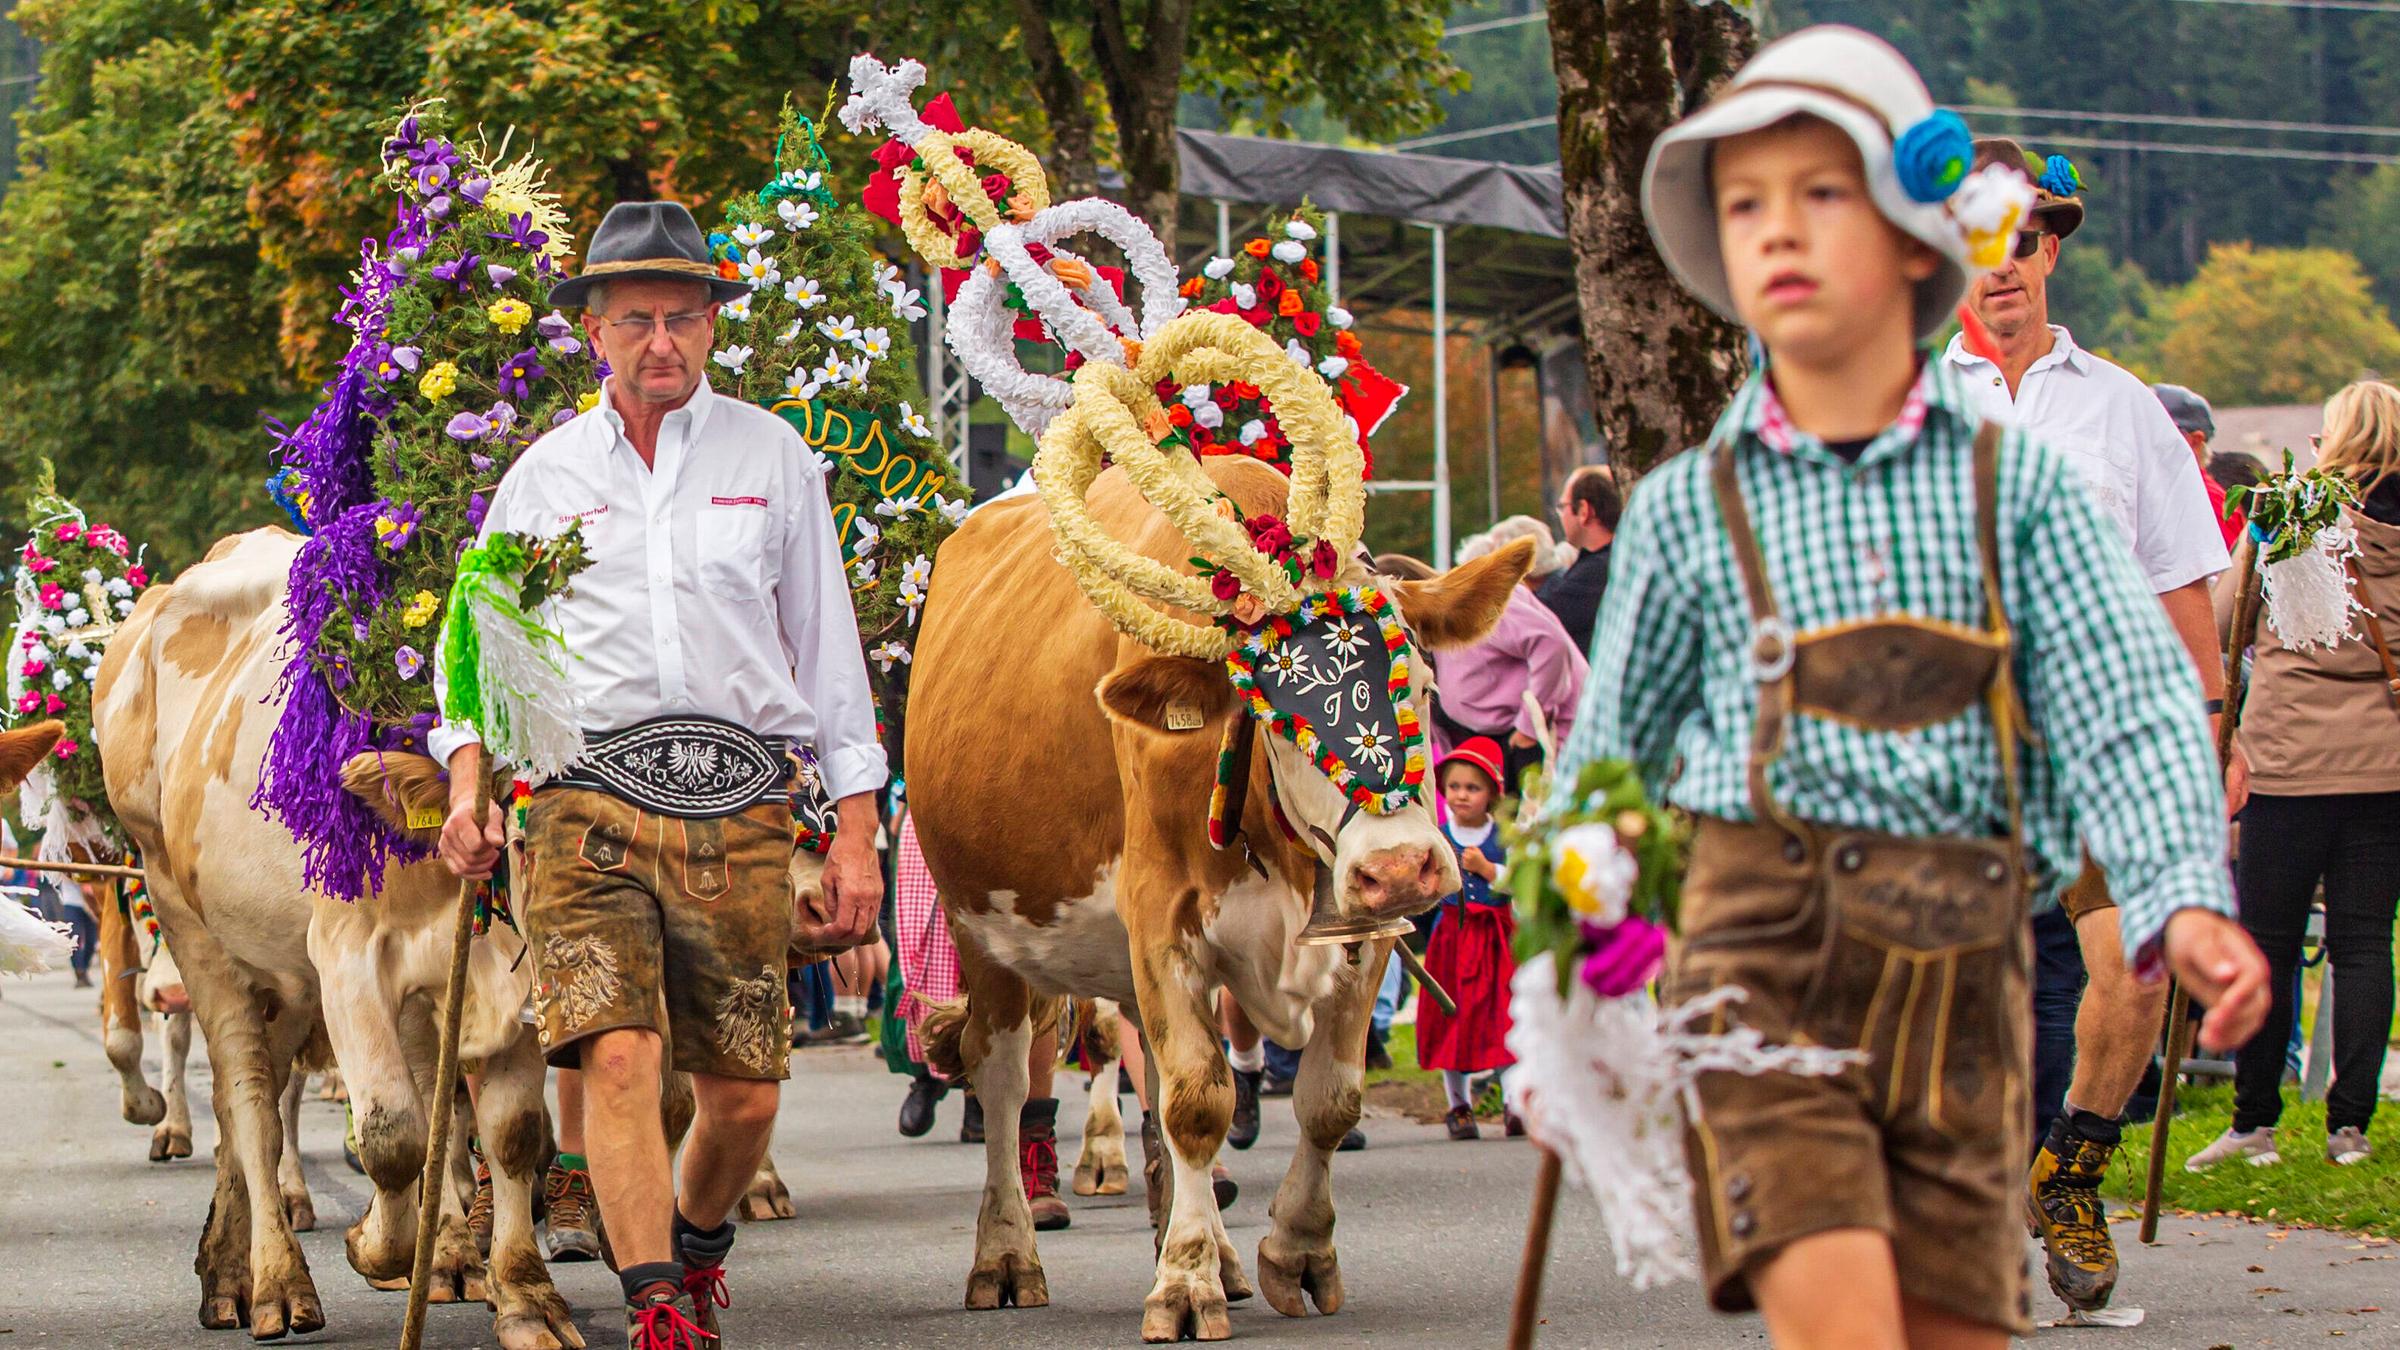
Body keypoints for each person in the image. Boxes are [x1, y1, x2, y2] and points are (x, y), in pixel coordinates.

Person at [1564, 27, 2269, 1346]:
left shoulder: (2030, 488)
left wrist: (2186, 890)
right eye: (1745, 202)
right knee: (1842, 1312)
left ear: (1914, 244)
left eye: (1820, 193)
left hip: (1963, 966)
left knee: (1953, 1321)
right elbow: (1614, 761)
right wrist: (1576, 983)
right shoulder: (1694, 510)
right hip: (1763, 961)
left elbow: (2132, 705)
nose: (1776, 228)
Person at [434, 200, 887, 1349]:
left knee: (743, 1097)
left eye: (685, 317)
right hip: (585, 806)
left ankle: (693, 1245)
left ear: (711, 328)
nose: (663, 342)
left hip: (742, 811)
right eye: (636, 318)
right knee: (618, 1051)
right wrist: (467, 788)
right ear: (594, 328)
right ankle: (656, 1307)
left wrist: (857, 835)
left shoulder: (772, 458)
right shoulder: (544, 476)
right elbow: (478, 650)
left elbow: (829, 655)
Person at [1943, 136, 2233, 1316]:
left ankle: (2070, 1169)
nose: (2000, 265)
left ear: (2051, 249)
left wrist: (2214, 732)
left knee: (2139, 964)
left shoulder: (2123, 409)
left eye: (2022, 240)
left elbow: (2180, 591)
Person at [2189, 379, 2400, 1172]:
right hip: (2386, 765)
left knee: (2268, 942)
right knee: (2363, 943)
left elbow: (2220, 619)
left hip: (2287, 762)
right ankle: (2351, 1124)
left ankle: (2255, 1120)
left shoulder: (2289, 520)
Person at [1427, 522, 1587, 792]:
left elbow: (1550, 644)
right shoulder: (1441, 627)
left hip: (1540, 738)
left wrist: (1528, 725)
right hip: (1496, 741)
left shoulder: (1482, 601)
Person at [1414, 737, 1520, 1142]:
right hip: (1453, 940)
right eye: (1454, 786)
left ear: (1492, 793)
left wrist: (1489, 869)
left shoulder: (1504, 837)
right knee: (1451, 1018)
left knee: (1505, 1018)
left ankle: (1515, 1103)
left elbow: (1520, 884)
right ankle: (1458, 1105)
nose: (1461, 795)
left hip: (1496, 939)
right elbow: (1425, 884)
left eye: (1472, 788)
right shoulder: (1438, 836)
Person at [1540, 465, 1622, 654]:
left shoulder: (1597, 570)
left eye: (1563, 507)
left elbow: (1536, 618)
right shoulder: (1612, 560)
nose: (1561, 516)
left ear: (1584, 510)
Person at [2153, 383, 2239, 549]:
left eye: (2158, 430)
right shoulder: (2154, 491)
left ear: (2195, 440)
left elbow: (2227, 574)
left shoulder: (2210, 502)